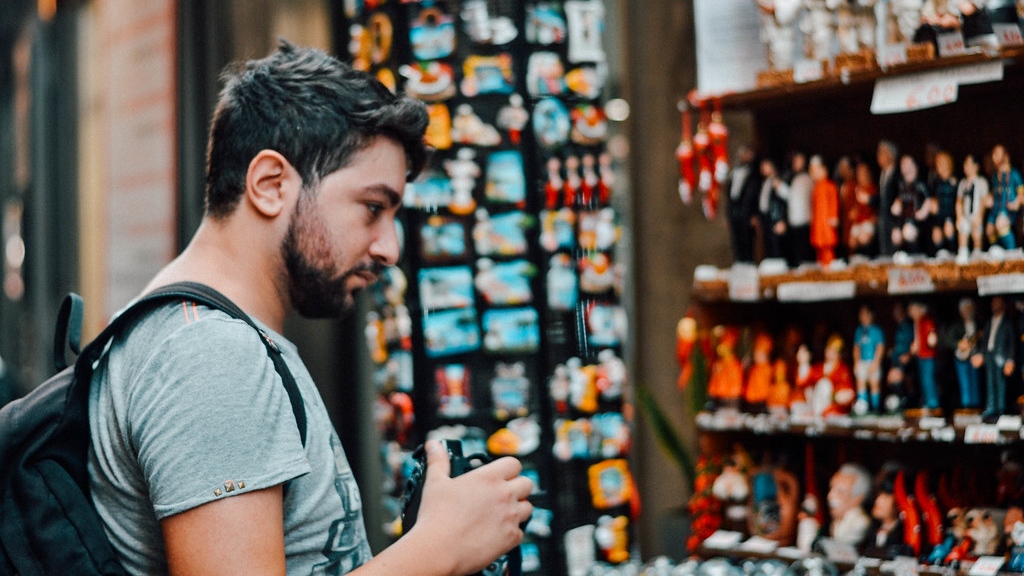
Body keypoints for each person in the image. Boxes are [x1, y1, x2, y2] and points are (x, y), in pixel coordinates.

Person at [87, 42, 533, 574]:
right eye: (372, 208)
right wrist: (443, 545)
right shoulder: (209, 355)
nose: (389, 247)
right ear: (271, 185)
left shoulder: (207, 336)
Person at [974, 295, 1017, 421]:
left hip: (1001, 357)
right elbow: (985, 341)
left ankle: (1001, 408)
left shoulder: (1008, 323)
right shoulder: (989, 322)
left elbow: (1012, 343)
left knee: (1001, 383)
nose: (994, 306)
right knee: (990, 383)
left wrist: (1010, 360)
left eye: (997, 303)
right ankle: (991, 407)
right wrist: (981, 354)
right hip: (989, 355)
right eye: (993, 303)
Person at [726, 145, 763, 263]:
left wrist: (755, 213)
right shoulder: (735, 172)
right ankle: (739, 262)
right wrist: (728, 214)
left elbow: (756, 194)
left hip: (747, 212)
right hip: (735, 211)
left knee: (747, 240)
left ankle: (748, 263)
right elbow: (729, 195)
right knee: (737, 241)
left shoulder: (754, 174)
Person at [808, 154, 839, 267]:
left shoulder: (829, 186)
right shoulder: (816, 187)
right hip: (818, 223)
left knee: (827, 249)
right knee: (819, 249)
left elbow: (833, 202)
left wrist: (833, 217)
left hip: (826, 224)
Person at [877, 140, 900, 256]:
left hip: (894, 219)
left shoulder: (897, 174)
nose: (879, 156)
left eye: (882, 153)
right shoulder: (882, 173)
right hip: (883, 218)